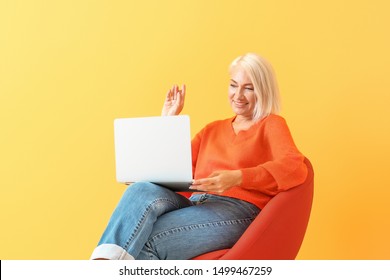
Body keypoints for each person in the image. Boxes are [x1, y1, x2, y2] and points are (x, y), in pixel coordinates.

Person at [90, 53, 308, 260]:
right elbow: (172, 168)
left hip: (236, 209)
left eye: (248, 88)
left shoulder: (271, 124)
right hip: (195, 204)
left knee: (146, 240)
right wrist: (168, 121)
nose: (238, 95)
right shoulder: (212, 130)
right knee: (140, 190)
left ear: (263, 91)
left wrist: (237, 178)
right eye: (233, 85)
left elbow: (295, 168)